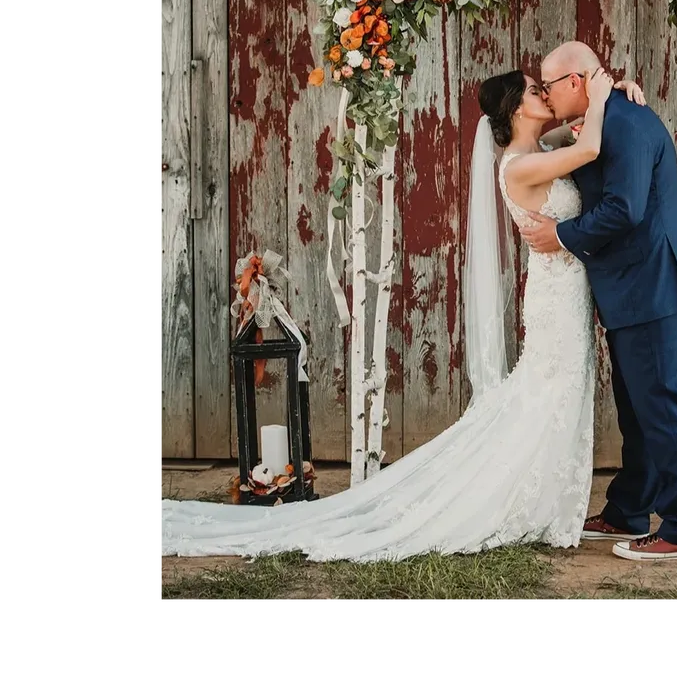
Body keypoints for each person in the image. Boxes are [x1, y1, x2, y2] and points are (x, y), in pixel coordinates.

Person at [151, 69, 647, 564]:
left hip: (565, 291)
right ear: (517, 108)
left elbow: (583, 130)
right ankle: (519, 499)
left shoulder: (538, 150)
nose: (547, 94)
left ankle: (545, 500)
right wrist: (602, 89)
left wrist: (615, 94)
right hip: (554, 297)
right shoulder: (517, 165)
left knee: (559, 392)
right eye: (537, 91)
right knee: (549, 391)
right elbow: (587, 149)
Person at [519, 41, 677, 561]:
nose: (545, 92)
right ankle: (628, 509)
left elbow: (624, 209)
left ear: (577, 81)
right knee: (638, 410)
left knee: (663, 410)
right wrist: (606, 100)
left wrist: (560, 235)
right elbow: (570, 150)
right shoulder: (610, 116)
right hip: (635, 289)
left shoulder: (625, 124)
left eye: (550, 84)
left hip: (654, 285)